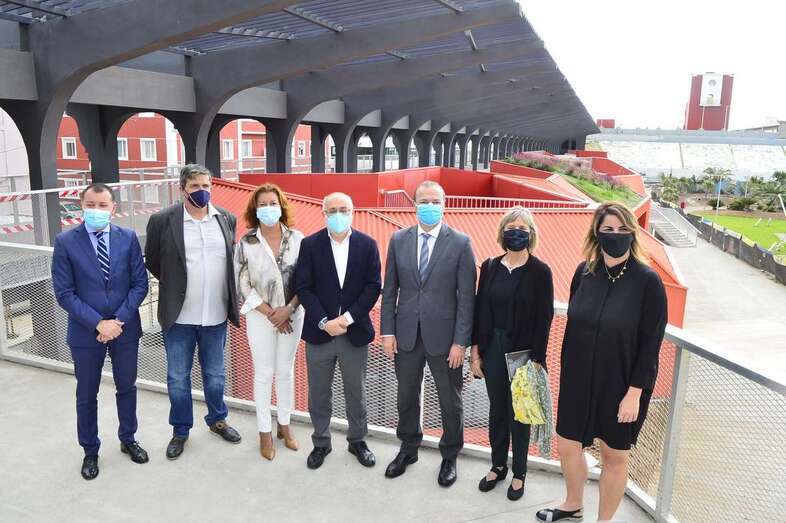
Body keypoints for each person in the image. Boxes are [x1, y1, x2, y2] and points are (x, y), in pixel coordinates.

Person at [537, 202, 668, 522]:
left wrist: (634, 393)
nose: (615, 235)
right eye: (608, 229)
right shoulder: (584, 272)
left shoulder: (648, 281)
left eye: (623, 229)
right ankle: (573, 504)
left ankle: (603, 520)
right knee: (567, 445)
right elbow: (574, 324)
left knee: (614, 456)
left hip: (621, 385)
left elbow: (650, 345)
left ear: (633, 233)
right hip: (577, 379)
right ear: (596, 233)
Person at [381, 180, 477, 487]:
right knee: (406, 395)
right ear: (415, 204)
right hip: (406, 334)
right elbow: (389, 290)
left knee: (450, 400)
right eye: (424, 201)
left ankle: (450, 455)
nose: (430, 206)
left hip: (446, 340)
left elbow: (467, 299)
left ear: (444, 205)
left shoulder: (460, 243)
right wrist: (387, 332)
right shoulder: (398, 239)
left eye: (436, 201)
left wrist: (460, 342)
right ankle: (408, 448)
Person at [52, 183, 150, 480]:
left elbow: (140, 284)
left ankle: (128, 439)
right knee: (86, 394)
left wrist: (117, 321)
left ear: (113, 208)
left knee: (127, 387)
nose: (96, 210)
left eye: (102, 205)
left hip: (124, 329)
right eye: (91, 205)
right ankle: (90, 450)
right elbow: (64, 293)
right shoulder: (65, 241)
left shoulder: (128, 237)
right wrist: (98, 323)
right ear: (82, 206)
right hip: (85, 333)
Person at [145, 164, 242, 460]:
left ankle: (217, 420)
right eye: (195, 186)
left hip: (215, 314)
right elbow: (153, 261)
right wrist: (177, 288)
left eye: (206, 185)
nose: (202, 191)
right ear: (182, 189)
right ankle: (180, 430)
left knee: (215, 375)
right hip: (179, 317)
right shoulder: (162, 220)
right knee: (177, 378)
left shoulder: (226, 218)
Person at [471, 207, 554, 501]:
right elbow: (479, 311)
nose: (516, 232)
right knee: (497, 411)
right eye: (510, 227)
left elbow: (544, 318)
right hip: (492, 349)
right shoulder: (490, 266)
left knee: (520, 414)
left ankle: (519, 473)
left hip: (523, 354)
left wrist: (537, 360)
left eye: (522, 228)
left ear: (531, 234)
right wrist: (475, 353)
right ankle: (498, 465)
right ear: (502, 232)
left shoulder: (540, 272)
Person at [295, 192, 381, 470]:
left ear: (353, 211)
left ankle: (357, 441)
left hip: (353, 333)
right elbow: (304, 287)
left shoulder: (368, 245)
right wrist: (324, 321)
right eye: (331, 210)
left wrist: (347, 318)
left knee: (356, 392)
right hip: (319, 334)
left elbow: (373, 286)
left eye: (343, 209)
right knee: (319, 393)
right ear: (323, 214)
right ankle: (321, 442)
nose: (338, 215)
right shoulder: (310, 245)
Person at [234, 183, 304, 460]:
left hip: (293, 315)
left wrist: (288, 309)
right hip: (260, 316)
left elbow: (306, 279)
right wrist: (272, 313)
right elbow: (243, 283)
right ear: (255, 210)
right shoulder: (246, 242)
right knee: (263, 373)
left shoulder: (298, 239)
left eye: (272, 203)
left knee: (285, 371)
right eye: (262, 204)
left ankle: (284, 425)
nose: (268, 208)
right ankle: (264, 431)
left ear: (281, 206)